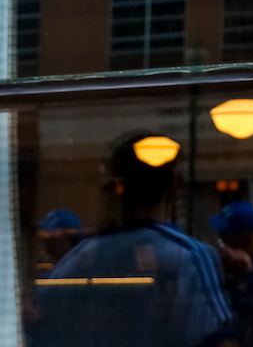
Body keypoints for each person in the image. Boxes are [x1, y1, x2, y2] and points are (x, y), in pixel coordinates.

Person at [27, 130, 236, 347]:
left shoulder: (81, 258)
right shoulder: (190, 256)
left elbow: (39, 321)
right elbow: (218, 339)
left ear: (119, 187)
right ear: (176, 184)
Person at [211, 200, 253, 345]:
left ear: (244, 238)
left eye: (226, 234)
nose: (221, 239)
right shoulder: (228, 268)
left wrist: (247, 277)